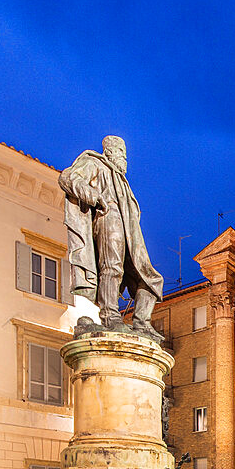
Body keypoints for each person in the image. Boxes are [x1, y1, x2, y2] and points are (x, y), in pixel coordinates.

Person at [59, 136, 163, 340]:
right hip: (109, 217)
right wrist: (96, 197)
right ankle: (109, 315)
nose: (125, 158)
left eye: (125, 153)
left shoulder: (122, 181)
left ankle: (142, 323)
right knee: (112, 266)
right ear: (109, 152)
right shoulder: (95, 163)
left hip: (130, 229)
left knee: (150, 279)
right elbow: (68, 178)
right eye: (121, 152)